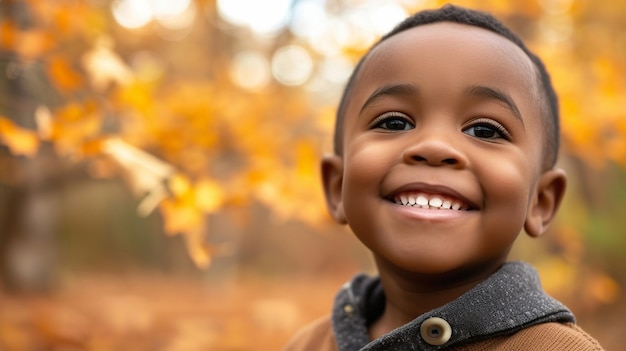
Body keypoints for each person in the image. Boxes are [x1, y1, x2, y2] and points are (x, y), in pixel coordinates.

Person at [282, 4, 605, 351]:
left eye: (484, 130)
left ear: (541, 201)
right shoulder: (307, 344)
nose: (435, 146)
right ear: (336, 186)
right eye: (394, 122)